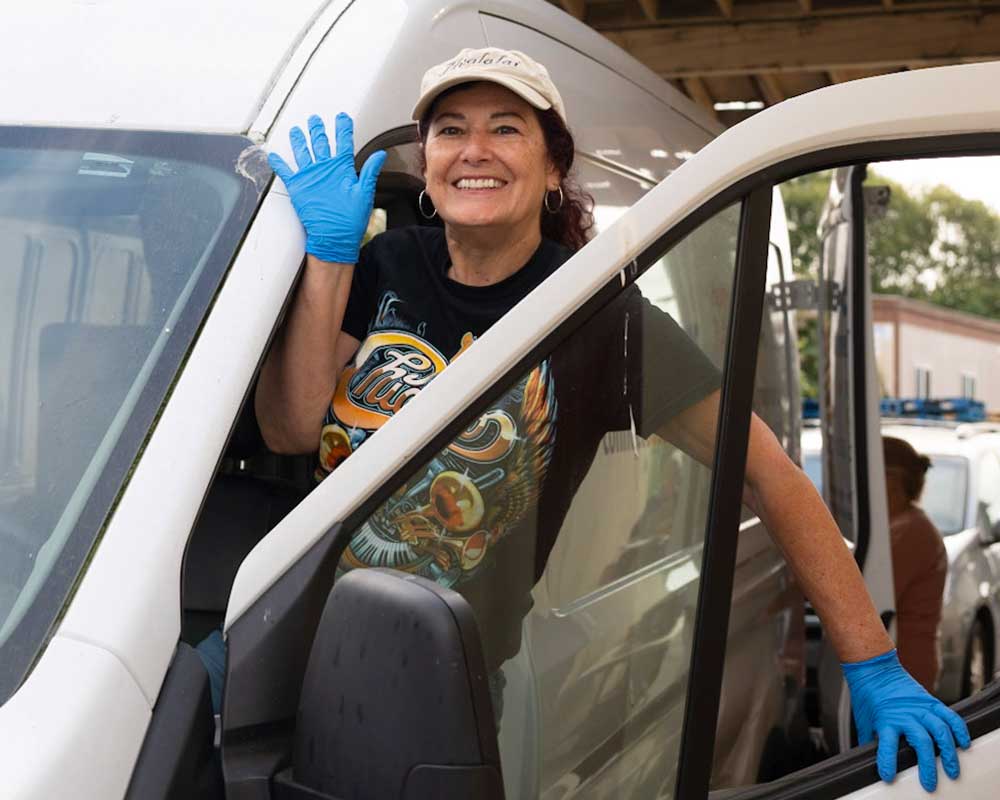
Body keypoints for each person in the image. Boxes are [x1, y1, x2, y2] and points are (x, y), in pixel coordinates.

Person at [251, 48, 968, 792]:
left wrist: (871, 662)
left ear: (554, 167)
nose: (474, 151)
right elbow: (291, 430)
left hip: (430, 686)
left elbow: (768, 475)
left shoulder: (599, 316)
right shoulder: (388, 262)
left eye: (506, 129)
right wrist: (329, 258)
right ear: (426, 160)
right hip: (281, 647)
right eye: (450, 129)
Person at [884, 436, 948, 693]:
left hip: (906, 671)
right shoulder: (904, 524)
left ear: (891, 481)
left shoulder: (912, 531)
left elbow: (873, 595)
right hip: (902, 668)